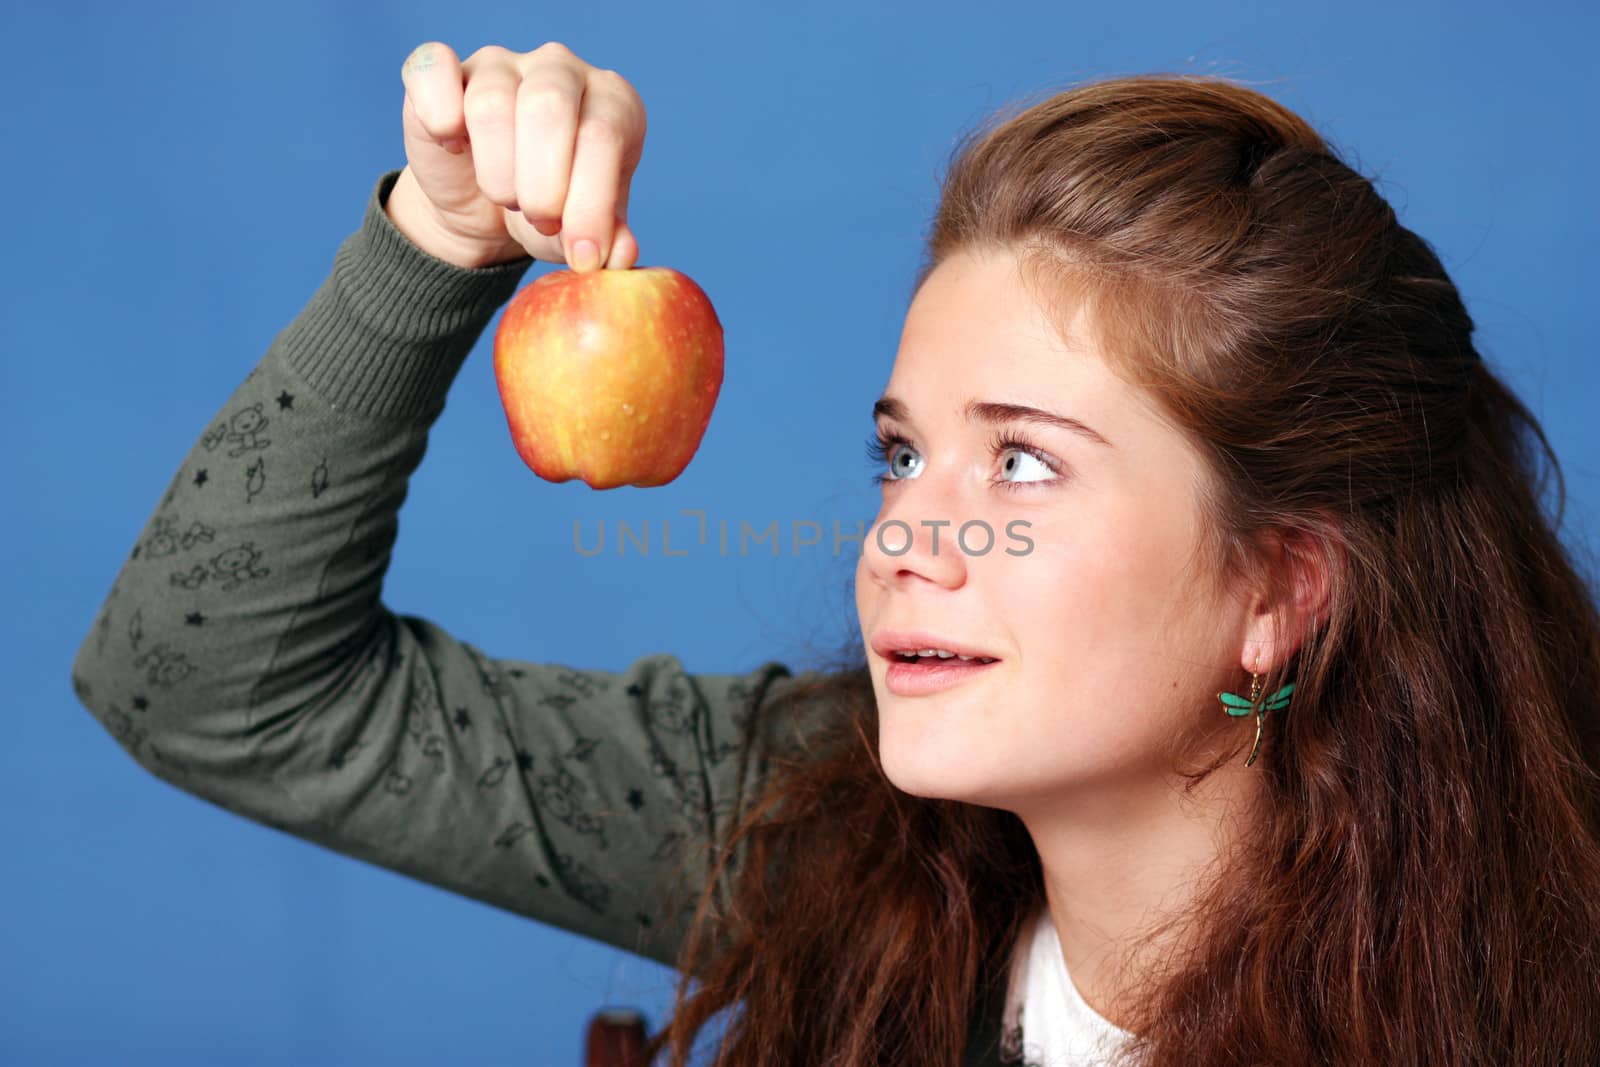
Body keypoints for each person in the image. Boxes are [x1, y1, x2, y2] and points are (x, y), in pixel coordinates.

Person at [69, 38, 1600, 1067]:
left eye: (1020, 461)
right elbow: (203, 683)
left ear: (1278, 595)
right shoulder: (810, 823)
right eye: (899, 453)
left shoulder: (1542, 987)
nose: (903, 542)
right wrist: (441, 234)